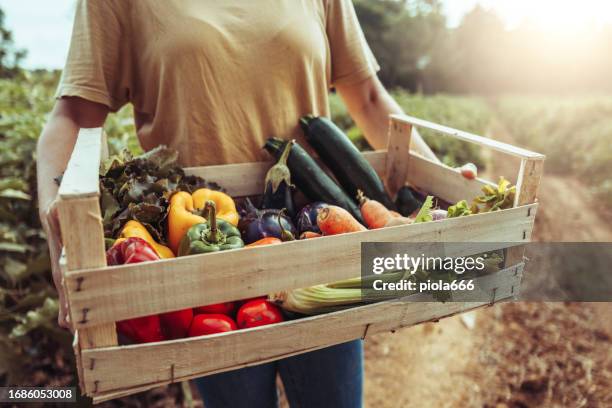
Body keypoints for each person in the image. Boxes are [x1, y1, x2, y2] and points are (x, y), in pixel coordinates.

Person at [38, 1, 445, 407]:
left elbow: (370, 97)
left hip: (317, 243)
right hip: (206, 270)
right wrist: (59, 216)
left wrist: (440, 178)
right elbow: (74, 114)